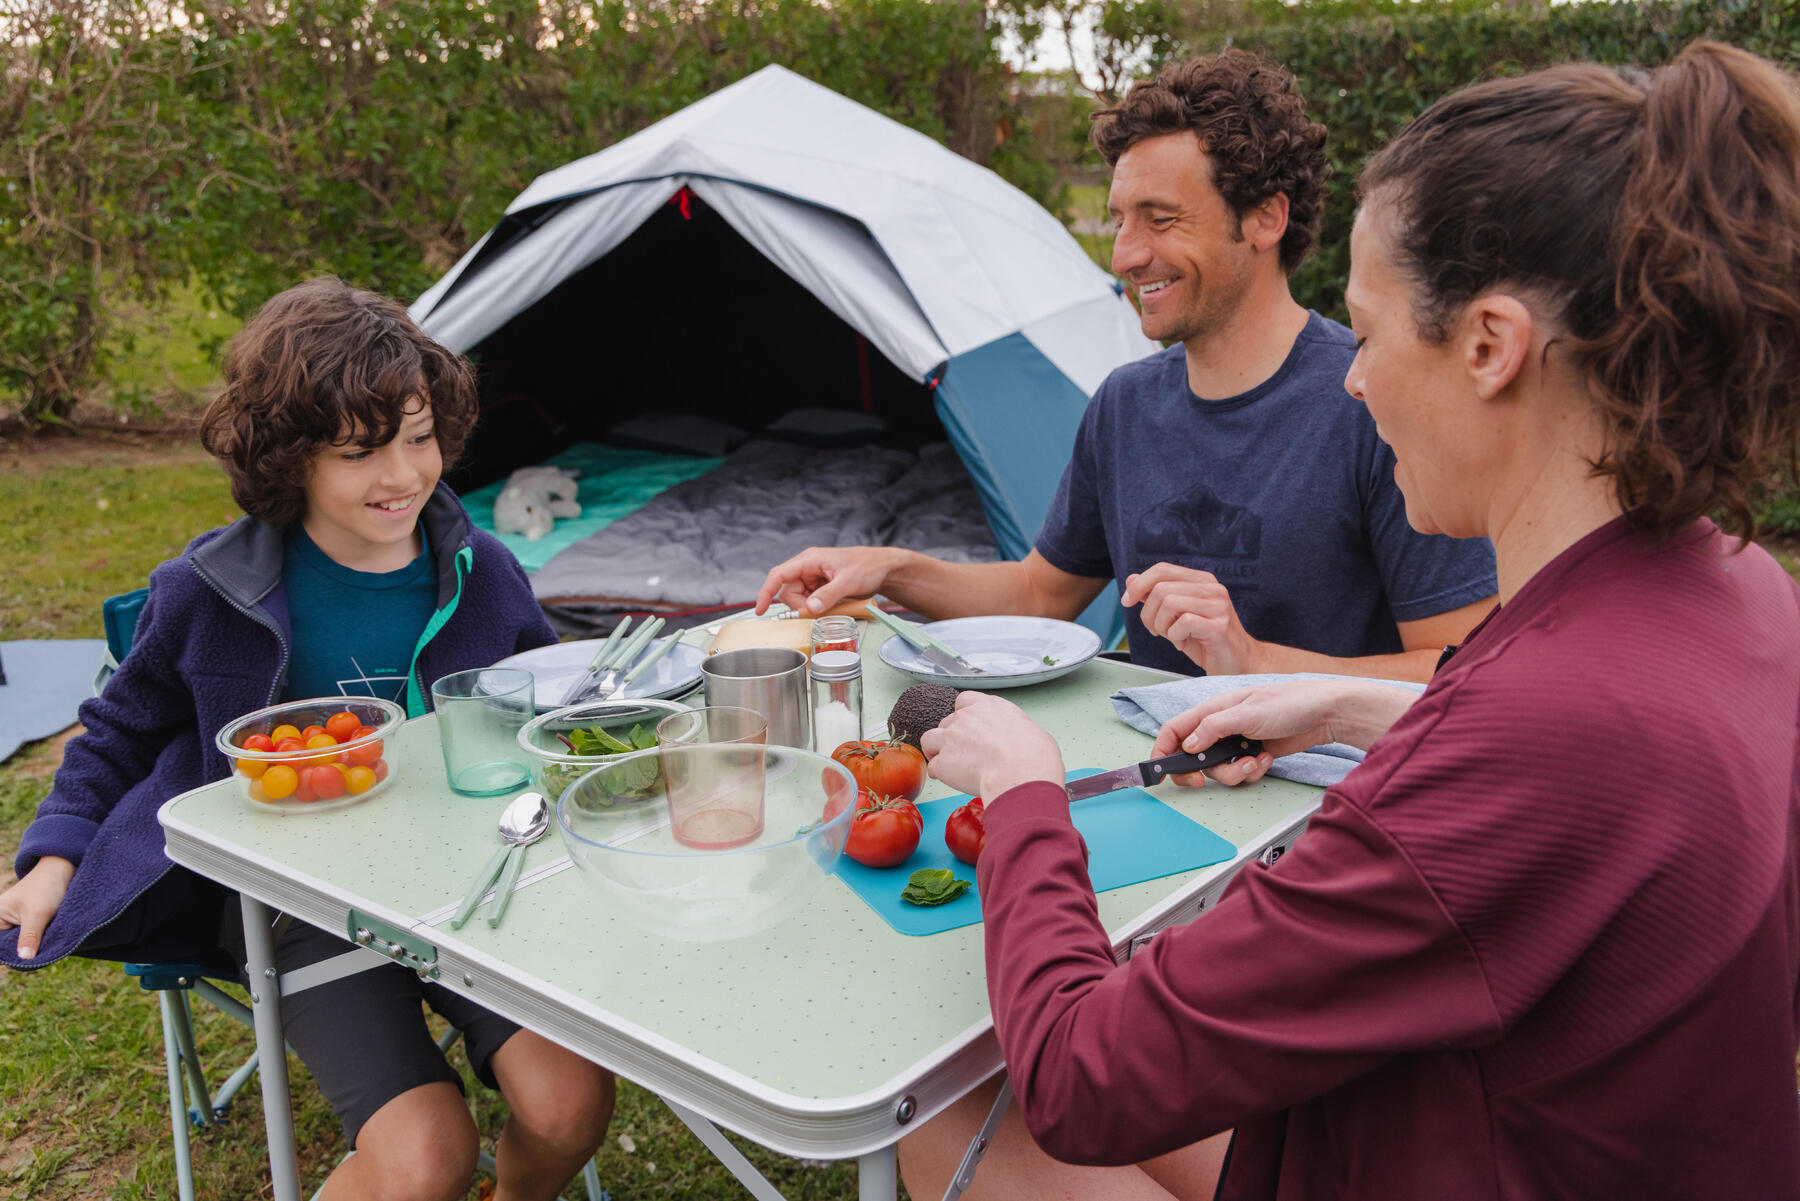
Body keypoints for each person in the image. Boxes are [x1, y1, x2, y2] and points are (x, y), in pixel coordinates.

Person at [905, 40, 1800, 1201]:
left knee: (949, 1118)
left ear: (1490, 345)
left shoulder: (1529, 751)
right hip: (1485, 1124)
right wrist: (1355, 703)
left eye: (1371, 336)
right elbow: (1559, 751)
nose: (1353, 380)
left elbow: (1085, 1074)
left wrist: (1023, 789)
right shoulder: (1740, 589)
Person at [0, 279, 613, 1201]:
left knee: (569, 1105)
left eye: (418, 437)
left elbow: (548, 708)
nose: (404, 475)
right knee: (422, 1158)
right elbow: (118, 730)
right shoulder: (210, 591)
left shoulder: (480, 570)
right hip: (301, 909)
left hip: (472, 887)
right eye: (361, 451)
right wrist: (54, 853)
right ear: (290, 460)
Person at [757, 50, 1496, 682]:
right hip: (1158, 793)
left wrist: (1254, 661)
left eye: (1160, 218)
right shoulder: (1124, 405)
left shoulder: (1372, 400)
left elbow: (1460, 667)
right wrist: (888, 569)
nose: (1124, 255)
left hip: (1318, 811)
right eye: (1119, 218)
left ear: (1266, 218)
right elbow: (1040, 595)